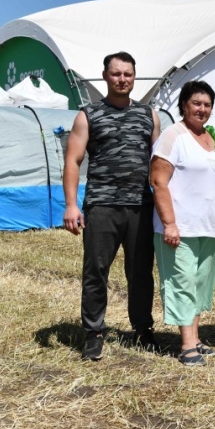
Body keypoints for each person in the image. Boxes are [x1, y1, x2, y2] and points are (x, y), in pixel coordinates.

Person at [63, 51, 161, 361]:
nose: (122, 79)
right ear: (105, 76)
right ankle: (93, 333)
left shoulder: (150, 115)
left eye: (128, 74)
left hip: (141, 207)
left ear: (135, 77)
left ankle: (143, 329)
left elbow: (159, 164)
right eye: (116, 74)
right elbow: (73, 160)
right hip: (102, 205)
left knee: (141, 273)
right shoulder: (88, 115)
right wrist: (71, 205)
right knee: (96, 271)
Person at [150, 80, 215, 367]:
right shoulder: (173, 135)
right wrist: (169, 223)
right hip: (178, 228)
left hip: (207, 226)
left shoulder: (211, 139)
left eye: (207, 105)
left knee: (200, 284)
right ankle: (185, 345)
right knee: (182, 282)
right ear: (184, 104)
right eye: (197, 103)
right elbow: (158, 180)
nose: (202, 109)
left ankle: (195, 338)